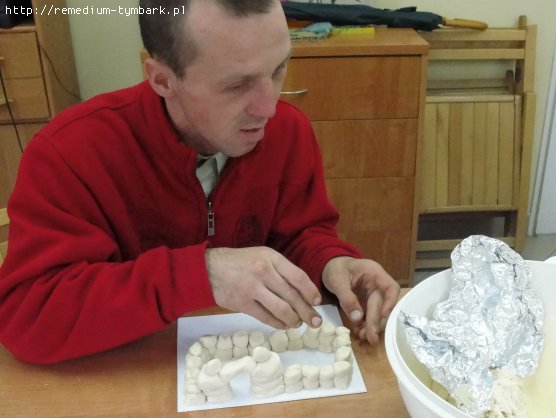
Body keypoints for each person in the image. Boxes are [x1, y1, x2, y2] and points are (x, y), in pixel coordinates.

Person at [0, 0, 400, 364]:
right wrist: (201, 275)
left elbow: (299, 235)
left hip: (253, 379)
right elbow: (26, 316)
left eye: (278, 69)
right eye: (236, 85)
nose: (269, 107)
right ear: (162, 79)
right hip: (130, 386)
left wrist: (331, 262)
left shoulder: (288, 132)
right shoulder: (69, 153)